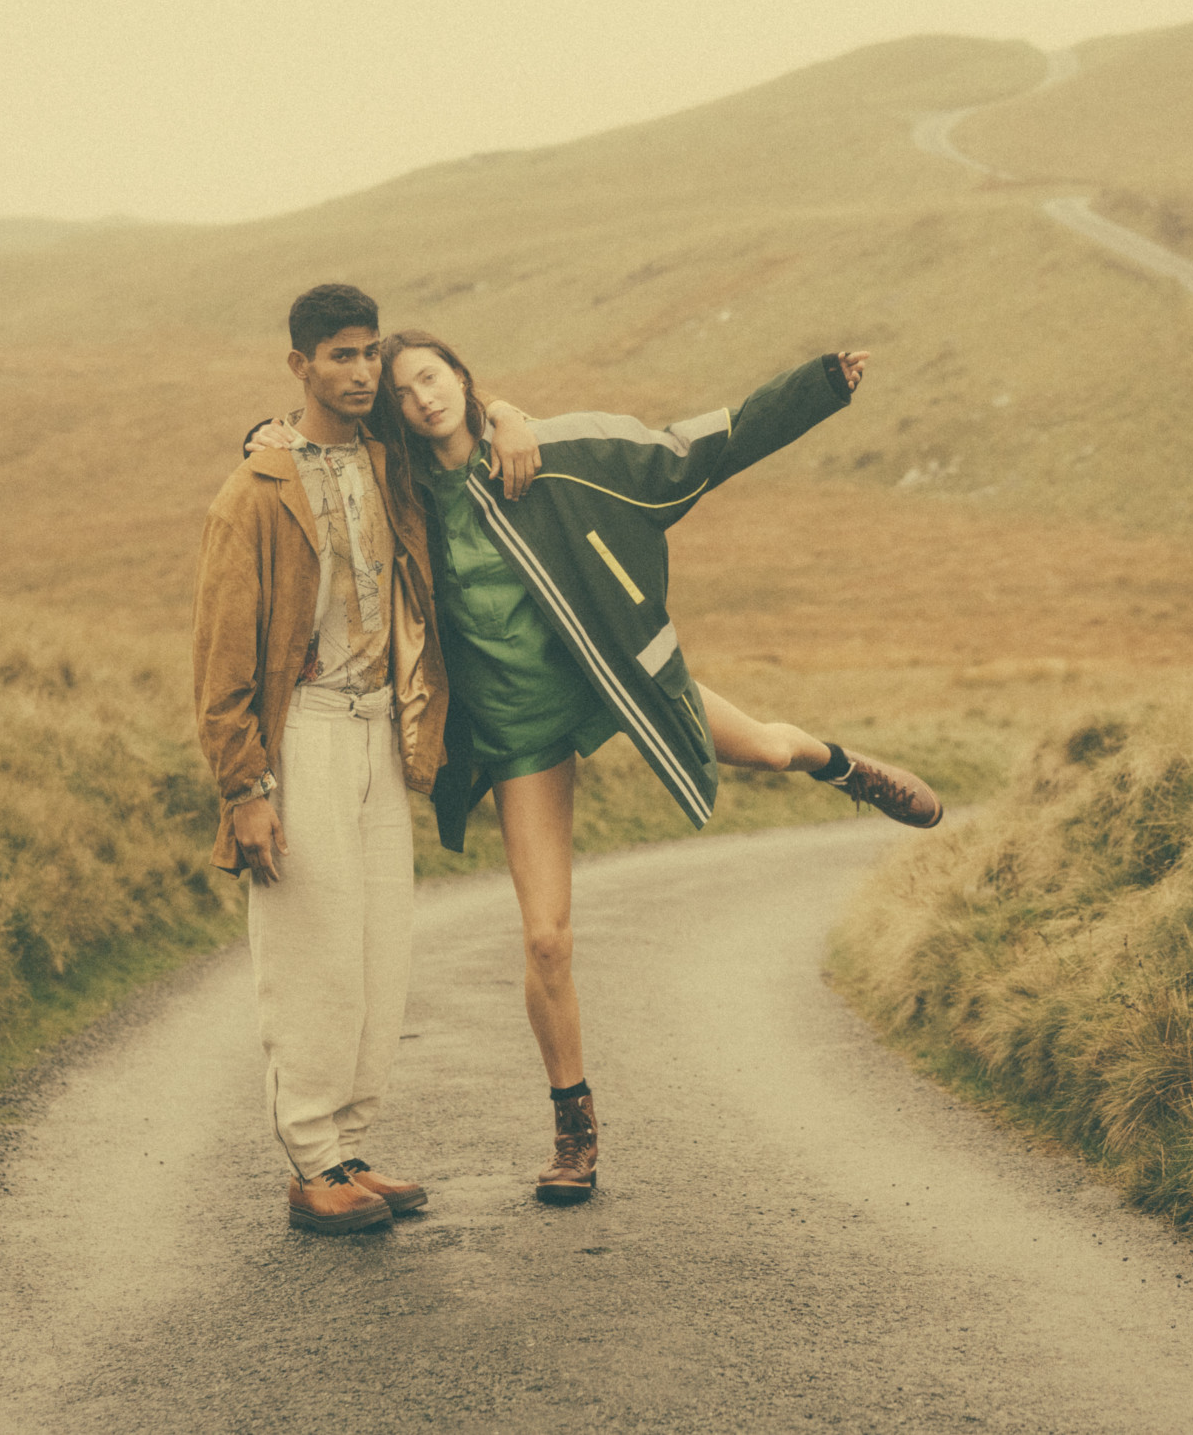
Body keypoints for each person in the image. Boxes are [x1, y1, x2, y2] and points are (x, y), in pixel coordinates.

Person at [250, 324, 942, 1204]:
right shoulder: (401, 493)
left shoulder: (552, 454)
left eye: (432, 377)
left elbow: (691, 452)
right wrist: (265, 437)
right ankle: (573, 1129)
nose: (423, 398)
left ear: (460, 374)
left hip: (609, 678)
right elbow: (319, 463)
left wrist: (818, 387)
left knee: (769, 748)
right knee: (546, 939)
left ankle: (839, 766)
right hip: (518, 735)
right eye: (404, 393)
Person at [192, 284, 448, 1236]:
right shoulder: (254, 493)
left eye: (370, 352)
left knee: (380, 949)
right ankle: (310, 1165)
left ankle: (349, 1145)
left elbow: (462, 417)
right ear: (300, 365)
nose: (363, 371)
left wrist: (506, 417)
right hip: (302, 735)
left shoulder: (389, 462)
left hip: (381, 727)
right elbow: (222, 659)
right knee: (312, 954)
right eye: (341, 355)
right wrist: (245, 789)